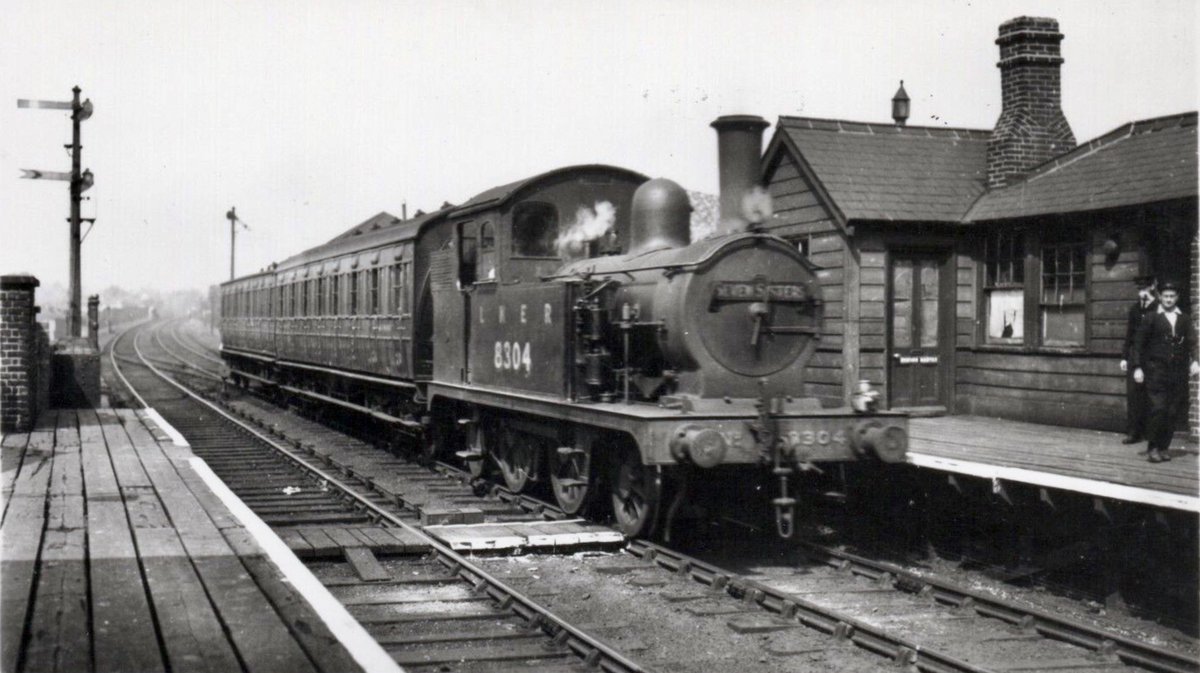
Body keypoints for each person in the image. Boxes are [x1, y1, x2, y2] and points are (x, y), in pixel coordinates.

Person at [1132, 281, 1200, 463]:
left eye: (1172, 296)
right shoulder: (1151, 318)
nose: (1169, 299)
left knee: (1171, 412)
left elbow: (1192, 342)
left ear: (1176, 298)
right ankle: (1153, 447)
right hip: (1156, 372)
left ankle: (1164, 447)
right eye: (1166, 296)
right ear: (1160, 297)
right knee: (1159, 409)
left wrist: (1196, 361)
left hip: (1177, 374)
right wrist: (1137, 367)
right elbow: (1138, 344)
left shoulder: (1184, 319)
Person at [1120, 276, 1157, 446]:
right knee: (1134, 395)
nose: (1141, 292)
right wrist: (1124, 357)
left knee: (1152, 395)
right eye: (1139, 289)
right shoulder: (1135, 309)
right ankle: (1133, 432)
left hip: (1153, 357)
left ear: (1151, 288)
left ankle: (1151, 433)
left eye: (1144, 289)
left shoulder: (1159, 308)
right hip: (1136, 357)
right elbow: (1129, 335)